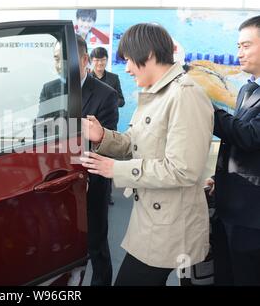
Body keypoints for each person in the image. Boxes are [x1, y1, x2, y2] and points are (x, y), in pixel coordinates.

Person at [81, 23, 214, 286]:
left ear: (149, 54)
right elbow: (136, 143)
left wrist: (115, 170)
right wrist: (103, 136)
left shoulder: (185, 95)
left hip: (173, 224)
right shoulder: (156, 94)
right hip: (152, 219)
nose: (127, 68)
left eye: (129, 60)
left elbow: (183, 169)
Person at [206, 15, 260, 286]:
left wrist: (206, 108)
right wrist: (219, 180)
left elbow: (250, 136)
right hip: (230, 205)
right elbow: (237, 144)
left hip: (252, 216)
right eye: (238, 46)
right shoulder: (247, 89)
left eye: (246, 45)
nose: (239, 53)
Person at [77, 35, 119, 285]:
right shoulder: (49, 88)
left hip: (91, 179)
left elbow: (106, 143)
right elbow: (41, 131)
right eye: (55, 60)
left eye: (63, 60)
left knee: (96, 244)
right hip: (54, 180)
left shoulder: (106, 93)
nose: (58, 66)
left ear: (84, 60)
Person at [90, 47, 125, 206]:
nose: (99, 63)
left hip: (109, 126)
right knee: (91, 159)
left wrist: (108, 102)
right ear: (91, 61)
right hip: (91, 127)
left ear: (106, 60)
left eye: (102, 59)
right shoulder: (86, 78)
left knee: (108, 158)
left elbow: (122, 100)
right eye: (96, 60)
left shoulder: (114, 78)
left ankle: (107, 193)